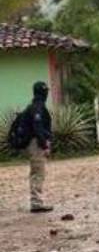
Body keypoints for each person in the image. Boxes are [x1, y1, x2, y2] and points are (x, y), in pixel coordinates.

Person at [23, 82, 53, 214]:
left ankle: (36, 202)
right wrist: (45, 144)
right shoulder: (38, 107)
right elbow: (38, 128)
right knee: (38, 172)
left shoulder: (35, 106)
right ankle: (36, 203)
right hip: (36, 144)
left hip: (34, 143)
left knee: (37, 172)